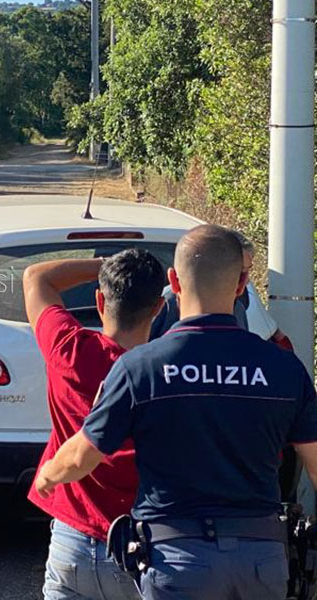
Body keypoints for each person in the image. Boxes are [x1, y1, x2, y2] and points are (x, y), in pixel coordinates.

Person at [35, 225, 317, 600]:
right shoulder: (284, 368)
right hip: (260, 559)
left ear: (174, 283)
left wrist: (49, 474)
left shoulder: (142, 368)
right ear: (241, 284)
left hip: (178, 558)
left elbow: (83, 455)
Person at [24, 250, 165, 600]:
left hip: (71, 541)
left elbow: (36, 277)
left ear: (100, 301)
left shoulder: (68, 349)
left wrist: (104, 267)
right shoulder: (164, 373)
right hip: (141, 546)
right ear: (158, 308)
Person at [149, 230, 292, 349]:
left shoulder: (239, 308)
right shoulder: (168, 304)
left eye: (247, 270)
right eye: (239, 270)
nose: (246, 279)